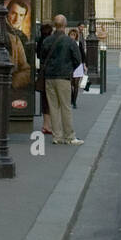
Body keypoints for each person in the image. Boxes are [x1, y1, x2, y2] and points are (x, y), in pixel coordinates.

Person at [40, 14, 83, 145]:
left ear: (54, 25)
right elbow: (78, 60)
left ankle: (57, 136)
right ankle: (69, 136)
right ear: (64, 25)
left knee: (53, 107)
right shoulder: (69, 41)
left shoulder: (47, 41)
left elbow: (42, 58)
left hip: (49, 78)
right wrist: (69, 69)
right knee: (66, 107)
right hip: (63, 77)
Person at [35, 22, 53, 135]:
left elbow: (38, 55)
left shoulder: (40, 41)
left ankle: (45, 125)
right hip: (52, 72)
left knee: (45, 100)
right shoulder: (51, 41)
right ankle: (51, 125)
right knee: (54, 99)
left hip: (42, 72)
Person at [69, 25, 87, 109]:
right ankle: (72, 97)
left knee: (76, 84)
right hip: (69, 66)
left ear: (76, 36)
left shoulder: (78, 43)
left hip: (78, 65)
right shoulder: (67, 43)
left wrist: (84, 65)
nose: (72, 36)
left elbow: (83, 55)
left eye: (74, 35)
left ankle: (74, 101)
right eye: (71, 34)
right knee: (70, 84)